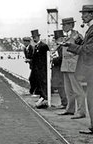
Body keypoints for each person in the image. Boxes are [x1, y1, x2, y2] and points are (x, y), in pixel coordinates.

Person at [63, 5, 93, 134]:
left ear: (91, 14)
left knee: (88, 97)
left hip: (85, 67)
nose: (82, 16)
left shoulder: (87, 32)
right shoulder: (89, 30)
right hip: (77, 66)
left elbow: (88, 50)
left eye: (85, 14)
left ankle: (83, 115)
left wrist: (71, 46)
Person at [57, 17, 86, 119]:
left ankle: (81, 111)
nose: (63, 27)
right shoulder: (65, 37)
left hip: (74, 66)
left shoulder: (77, 36)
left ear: (71, 25)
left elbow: (82, 49)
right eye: (63, 25)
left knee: (77, 90)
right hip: (65, 66)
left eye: (65, 25)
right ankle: (70, 109)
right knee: (68, 90)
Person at [30, 29, 50, 109]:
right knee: (39, 84)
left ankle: (44, 98)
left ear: (38, 37)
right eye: (33, 37)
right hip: (37, 69)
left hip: (42, 69)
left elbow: (45, 58)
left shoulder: (43, 46)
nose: (34, 39)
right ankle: (42, 97)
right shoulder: (36, 46)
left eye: (35, 37)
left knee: (43, 84)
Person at [51, 30, 67, 109]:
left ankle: (64, 102)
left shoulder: (61, 47)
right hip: (58, 68)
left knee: (61, 86)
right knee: (60, 86)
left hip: (60, 68)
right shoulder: (58, 47)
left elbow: (60, 58)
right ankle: (64, 102)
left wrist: (52, 60)